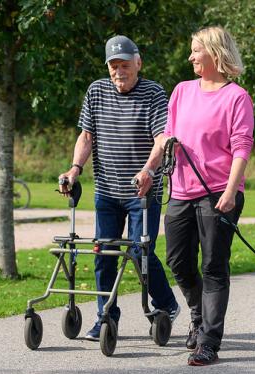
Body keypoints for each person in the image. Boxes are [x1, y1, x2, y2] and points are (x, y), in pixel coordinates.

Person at [135, 26, 254, 365]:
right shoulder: (182, 91)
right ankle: (197, 316)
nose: (190, 57)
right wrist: (149, 169)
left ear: (214, 53)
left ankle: (209, 341)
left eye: (195, 50)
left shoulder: (236, 97)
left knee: (214, 265)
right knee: (177, 260)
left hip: (218, 192)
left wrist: (232, 190)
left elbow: (242, 146)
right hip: (181, 190)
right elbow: (166, 138)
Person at [58, 34, 180, 341]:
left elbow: (161, 139)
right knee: (104, 252)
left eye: (124, 65)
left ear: (138, 63)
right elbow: (87, 137)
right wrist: (75, 169)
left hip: (142, 191)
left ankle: (165, 305)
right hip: (106, 190)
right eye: (113, 66)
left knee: (141, 253)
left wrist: (148, 170)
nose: (118, 72)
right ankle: (105, 318)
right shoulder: (96, 91)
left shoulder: (153, 93)